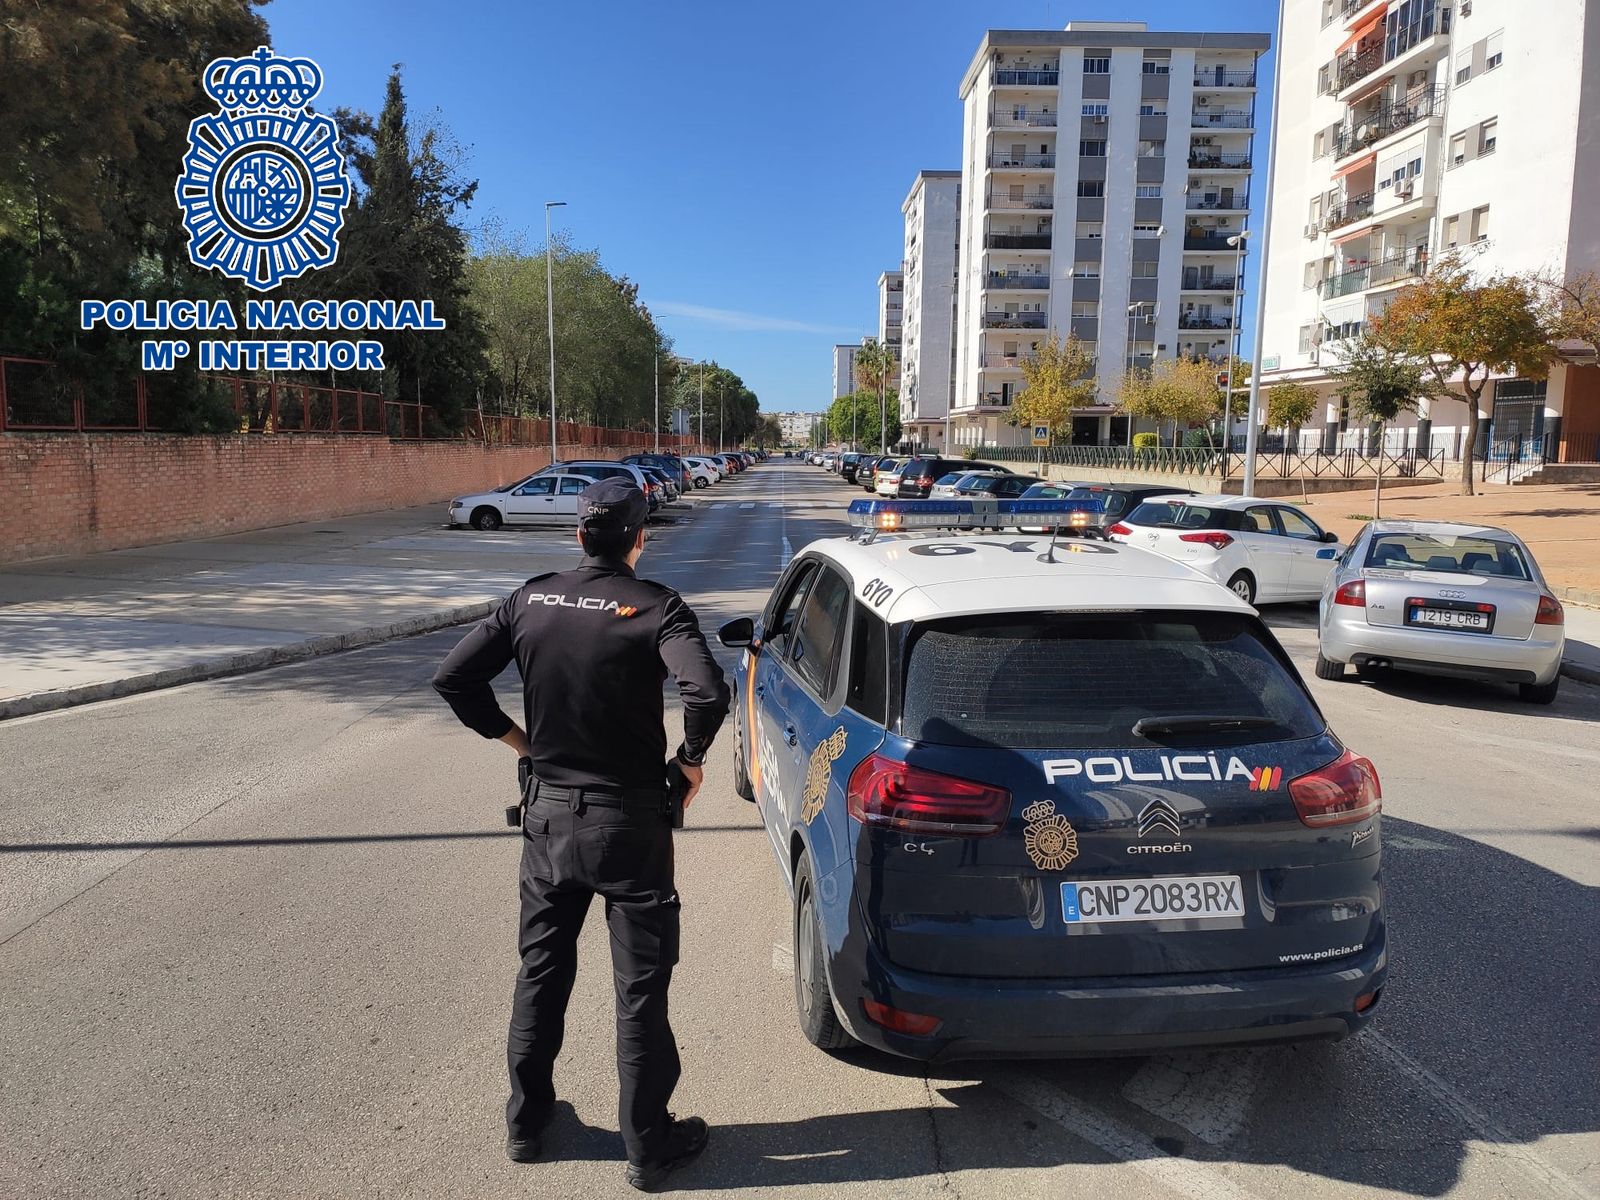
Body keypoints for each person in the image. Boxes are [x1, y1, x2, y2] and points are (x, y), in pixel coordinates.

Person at [432, 477, 730, 1191]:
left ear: (578, 535)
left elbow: (454, 678)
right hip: (629, 826)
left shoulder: (530, 599)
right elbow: (707, 691)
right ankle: (647, 1146)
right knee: (640, 989)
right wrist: (690, 761)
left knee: (540, 972)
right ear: (639, 538)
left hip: (548, 820)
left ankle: (527, 1124)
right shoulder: (657, 606)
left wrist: (522, 744)